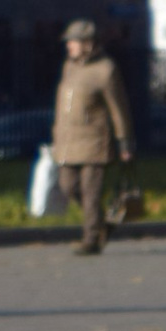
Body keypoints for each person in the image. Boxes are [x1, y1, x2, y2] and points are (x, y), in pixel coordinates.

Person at [50, 18, 135, 254]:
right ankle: (100, 224)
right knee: (68, 186)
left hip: (95, 141)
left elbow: (119, 108)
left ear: (88, 43)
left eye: (73, 41)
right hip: (68, 141)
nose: (69, 46)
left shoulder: (106, 70)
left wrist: (125, 141)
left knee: (91, 191)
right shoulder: (69, 66)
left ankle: (91, 240)